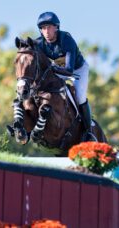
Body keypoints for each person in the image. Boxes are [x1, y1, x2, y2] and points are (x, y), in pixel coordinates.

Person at [34, 11, 96, 141]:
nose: (46, 32)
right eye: (43, 28)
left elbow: (69, 70)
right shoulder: (39, 43)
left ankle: (88, 132)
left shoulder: (66, 40)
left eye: (49, 27)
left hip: (77, 70)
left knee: (79, 97)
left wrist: (51, 68)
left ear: (56, 27)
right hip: (57, 71)